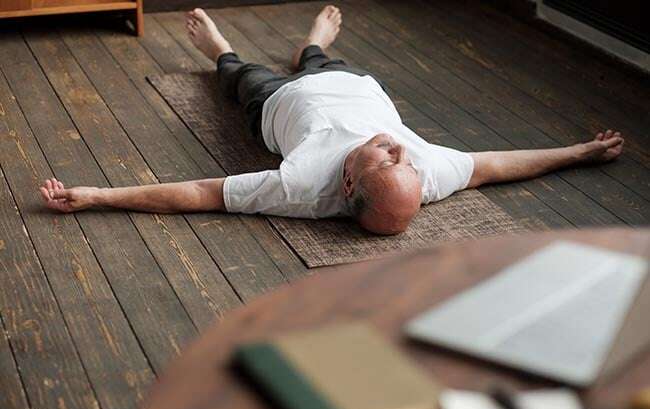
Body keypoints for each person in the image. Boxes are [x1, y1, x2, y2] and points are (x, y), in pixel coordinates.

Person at [39, 6, 624, 235]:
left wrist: (97, 195)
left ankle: (219, 47)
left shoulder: (299, 187)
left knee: (236, 76)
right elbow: (495, 166)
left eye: (388, 159)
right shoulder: (424, 172)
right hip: (348, 84)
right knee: (320, 59)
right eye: (402, 160)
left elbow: (198, 192)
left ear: (347, 185)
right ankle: (313, 44)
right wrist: (579, 152)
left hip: (277, 106)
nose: (399, 149)